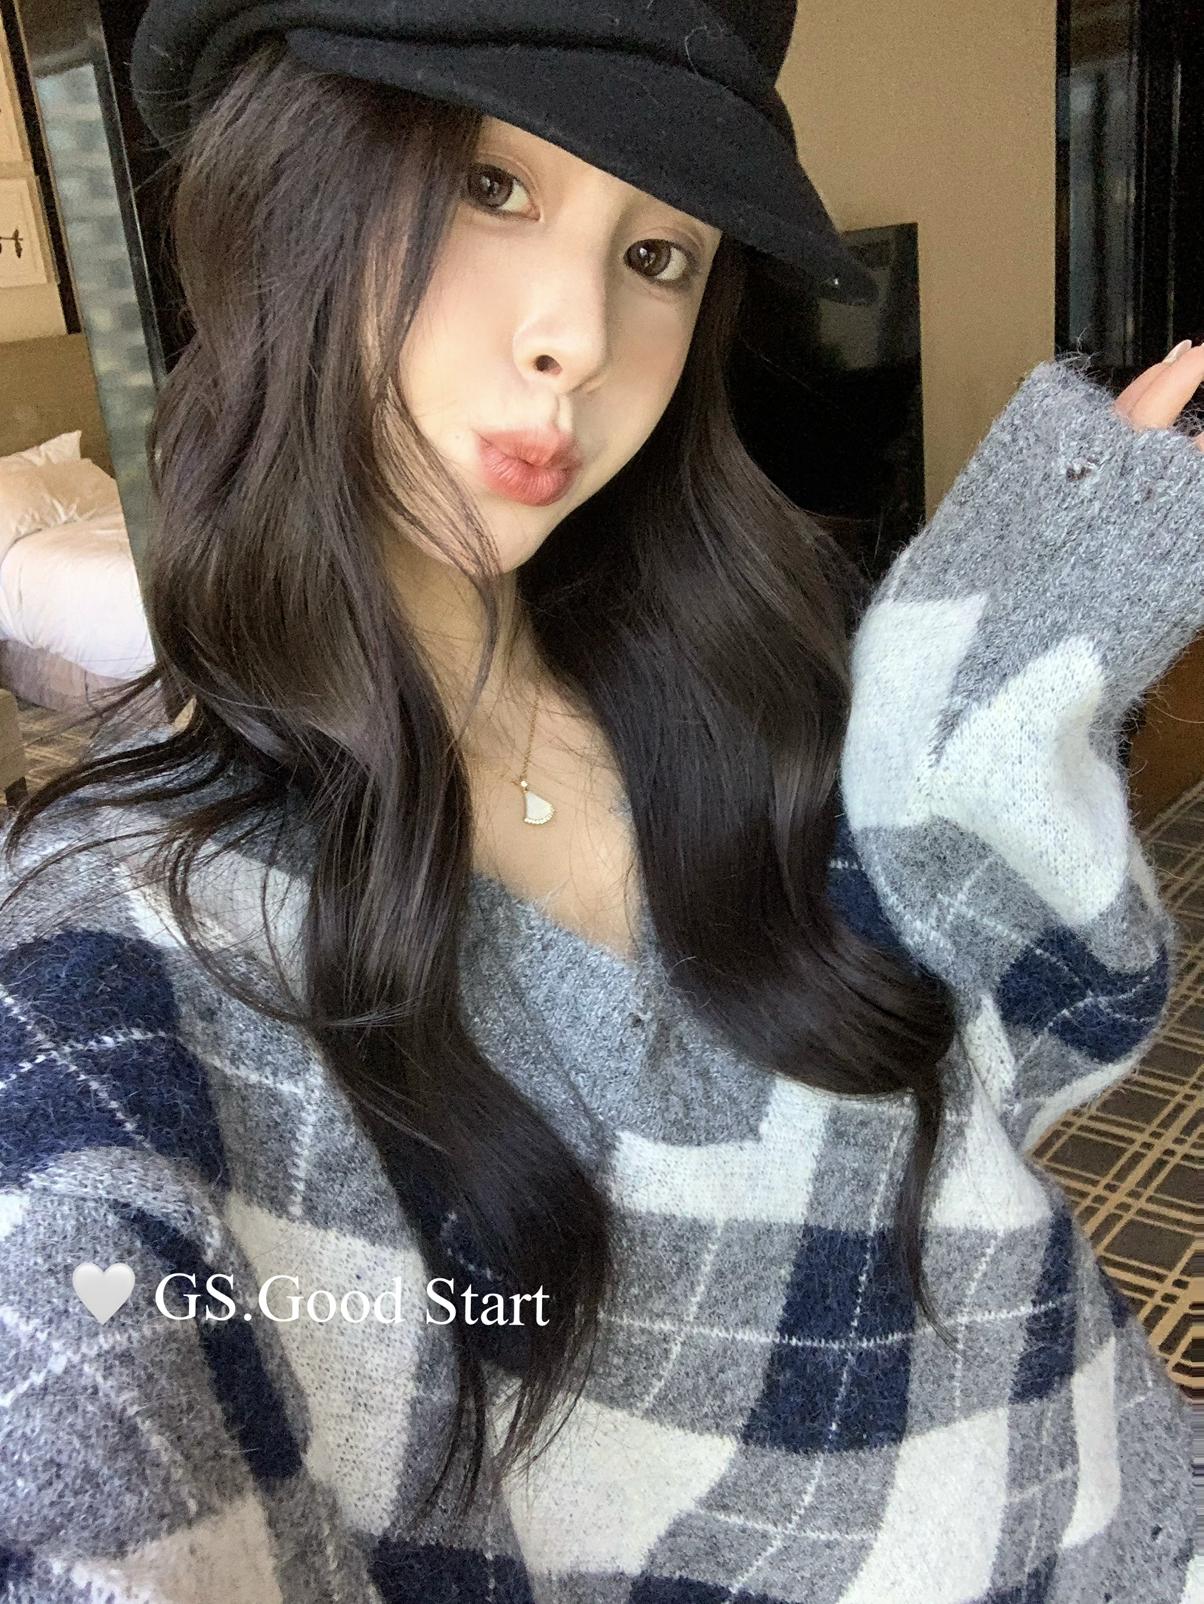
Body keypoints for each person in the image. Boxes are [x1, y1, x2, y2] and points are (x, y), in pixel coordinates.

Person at [0, 5, 1201, 1601]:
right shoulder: (121, 963)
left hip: (1132, 1508)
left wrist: (1023, 653)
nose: (578, 336)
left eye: (659, 255)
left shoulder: (758, 689)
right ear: (285, 198)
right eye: (489, 187)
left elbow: (1004, 1064)